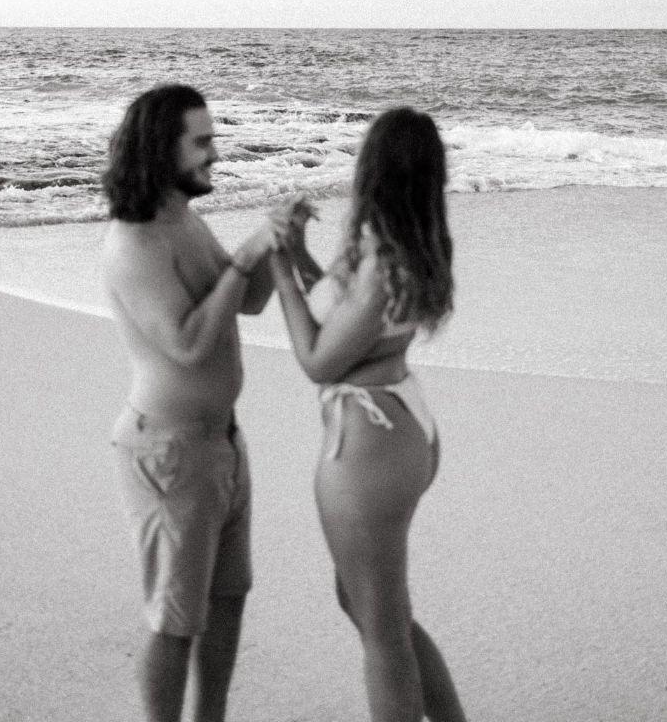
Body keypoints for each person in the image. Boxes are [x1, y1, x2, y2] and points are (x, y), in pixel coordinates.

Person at [269, 107, 467, 722]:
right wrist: (301, 255)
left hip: (371, 446)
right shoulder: (412, 245)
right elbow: (351, 318)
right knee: (373, 608)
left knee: (382, 636)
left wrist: (278, 269)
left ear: (372, 171)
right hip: (404, 423)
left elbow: (319, 359)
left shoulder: (382, 262)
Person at [101, 83, 277, 722]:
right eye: (201, 142)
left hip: (221, 443)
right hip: (169, 451)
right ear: (161, 148)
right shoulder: (136, 241)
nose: (214, 153)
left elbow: (248, 300)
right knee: (175, 619)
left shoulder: (185, 220)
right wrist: (248, 254)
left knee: (228, 599)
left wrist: (274, 248)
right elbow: (188, 343)